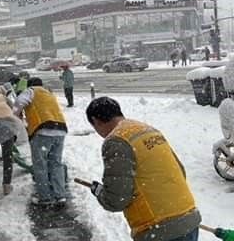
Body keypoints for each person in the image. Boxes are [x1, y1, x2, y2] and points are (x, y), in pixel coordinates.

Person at [85, 97, 201, 241]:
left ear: (96, 121)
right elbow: (180, 170)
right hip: (188, 218)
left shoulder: (116, 141)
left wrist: (99, 191)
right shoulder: (147, 130)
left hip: (158, 229)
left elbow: (116, 199)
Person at [14, 77, 68, 206]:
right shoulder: (48, 93)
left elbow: (19, 102)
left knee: (40, 165)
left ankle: (45, 197)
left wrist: (17, 115)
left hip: (43, 130)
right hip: (60, 129)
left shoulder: (30, 91)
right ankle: (60, 195)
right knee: (56, 164)